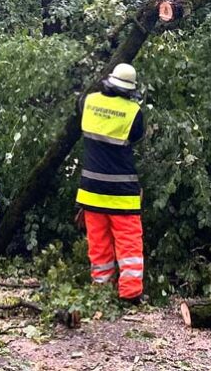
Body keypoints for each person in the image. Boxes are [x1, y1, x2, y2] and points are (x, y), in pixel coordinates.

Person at [76, 63, 146, 303]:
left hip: (90, 190)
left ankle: (101, 288)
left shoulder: (89, 101)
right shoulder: (133, 112)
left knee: (99, 244)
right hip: (121, 192)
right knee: (129, 245)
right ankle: (130, 293)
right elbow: (136, 136)